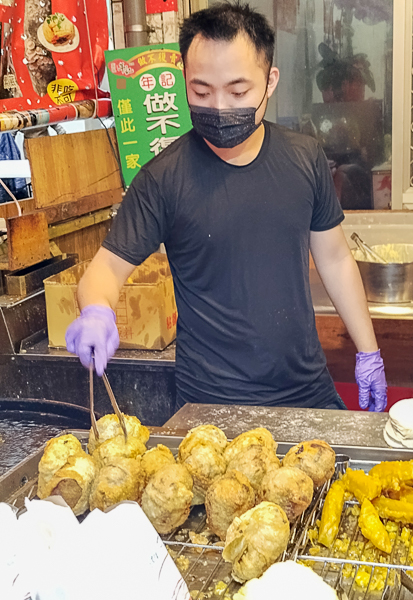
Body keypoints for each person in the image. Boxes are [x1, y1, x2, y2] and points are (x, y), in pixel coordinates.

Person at [66, 2, 387, 412]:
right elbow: (105, 271)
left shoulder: (305, 158)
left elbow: (337, 259)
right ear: (184, 80)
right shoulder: (163, 178)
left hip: (308, 391)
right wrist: (96, 310)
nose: (218, 107)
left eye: (237, 91)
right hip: (211, 407)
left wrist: (368, 351)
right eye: (201, 91)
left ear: (270, 81)